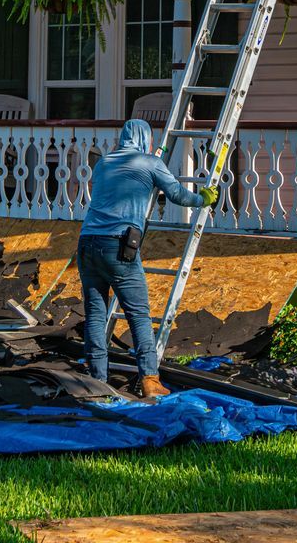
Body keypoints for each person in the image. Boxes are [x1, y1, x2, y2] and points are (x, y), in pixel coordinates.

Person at [77, 118, 217, 397]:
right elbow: (177, 194)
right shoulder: (150, 163)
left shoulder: (104, 163)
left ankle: (97, 381)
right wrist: (203, 198)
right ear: (144, 139)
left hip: (87, 242)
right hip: (117, 246)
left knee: (95, 312)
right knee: (138, 314)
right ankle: (150, 382)